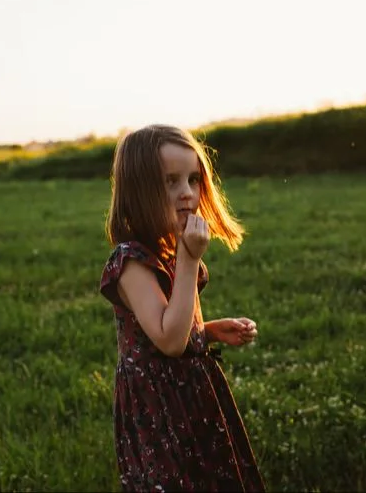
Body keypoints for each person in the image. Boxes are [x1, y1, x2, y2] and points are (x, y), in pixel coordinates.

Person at [99, 124, 266, 492]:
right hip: (158, 407)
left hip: (190, 393)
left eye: (193, 180)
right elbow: (169, 341)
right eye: (170, 182)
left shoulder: (168, 250)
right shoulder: (132, 262)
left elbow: (178, 327)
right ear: (139, 191)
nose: (187, 193)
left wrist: (207, 330)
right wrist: (189, 259)